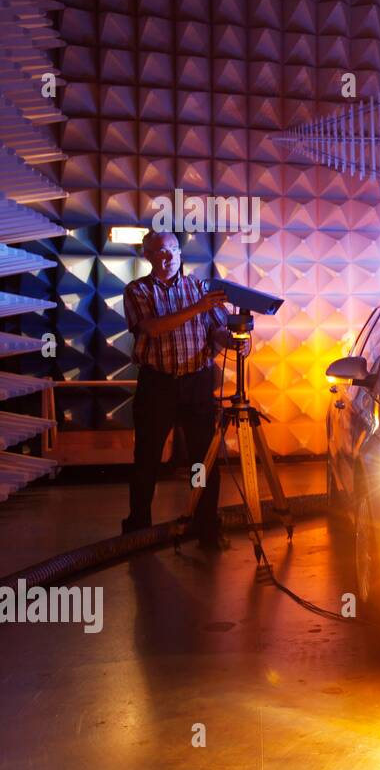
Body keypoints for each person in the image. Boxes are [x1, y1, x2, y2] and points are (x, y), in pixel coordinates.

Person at [121, 231, 245, 551]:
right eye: (158, 253)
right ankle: (138, 530)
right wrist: (198, 307)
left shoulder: (200, 289)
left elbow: (216, 328)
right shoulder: (138, 291)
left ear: (179, 252)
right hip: (157, 384)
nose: (166, 259)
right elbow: (152, 327)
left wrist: (233, 341)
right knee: (147, 459)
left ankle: (207, 525)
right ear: (147, 256)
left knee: (203, 462)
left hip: (197, 383)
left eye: (171, 252)